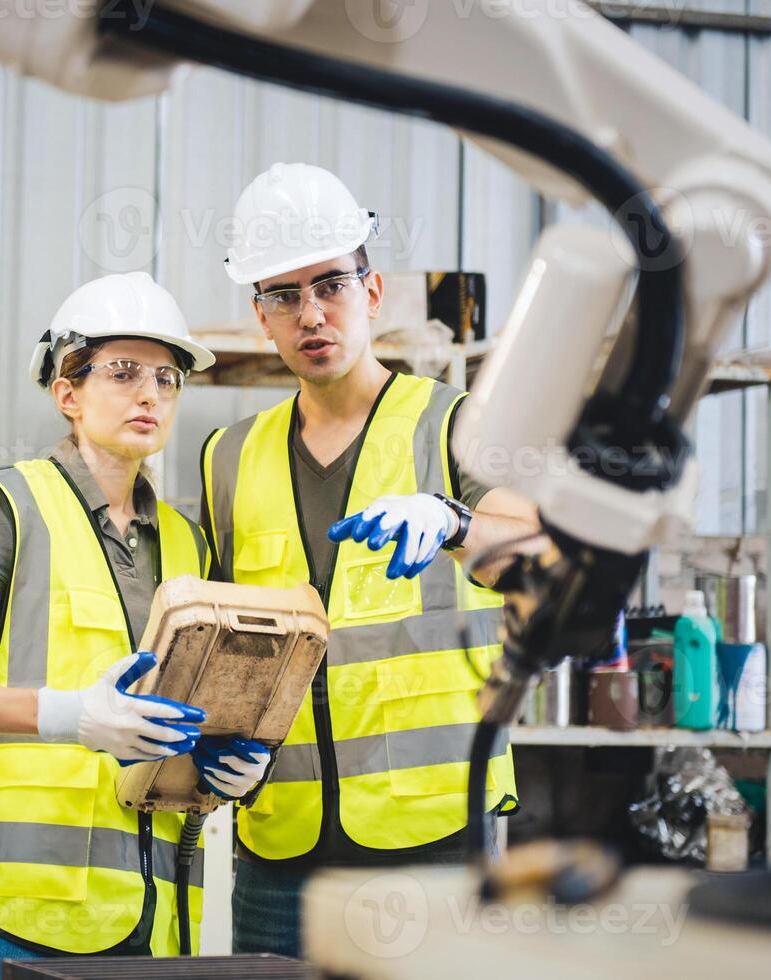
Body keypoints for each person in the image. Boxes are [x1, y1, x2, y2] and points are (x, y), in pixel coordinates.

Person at [198, 163, 545, 958]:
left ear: (373, 291)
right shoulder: (228, 457)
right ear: (260, 315)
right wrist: (213, 745)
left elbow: (542, 555)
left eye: (331, 284)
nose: (311, 313)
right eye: (283, 295)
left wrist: (454, 520)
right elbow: (222, 642)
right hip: (279, 840)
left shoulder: (455, 424)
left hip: (431, 834)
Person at [0, 272, 271, 977]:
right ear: (66, 393)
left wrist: (227, 770)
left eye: (166, 379)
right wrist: (72, 717)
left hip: (156, 921)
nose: (149, 394)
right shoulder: (7, 506)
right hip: (27, 919)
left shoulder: (187, 543)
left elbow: (178, 713)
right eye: (123, 372)